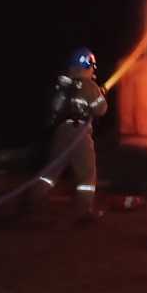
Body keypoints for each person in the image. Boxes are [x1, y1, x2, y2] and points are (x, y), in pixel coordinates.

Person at [23, 46, 107, 221]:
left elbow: (57, 109)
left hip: (61, 132)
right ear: (88, 66)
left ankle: (32, 198)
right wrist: (99, 94)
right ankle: (84, 211)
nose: (93, 70)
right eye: (92, 67)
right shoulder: (89, 85)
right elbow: (101, 109)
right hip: (79, 134)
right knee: (87, 173)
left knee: (51, 172)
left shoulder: (64, 85)